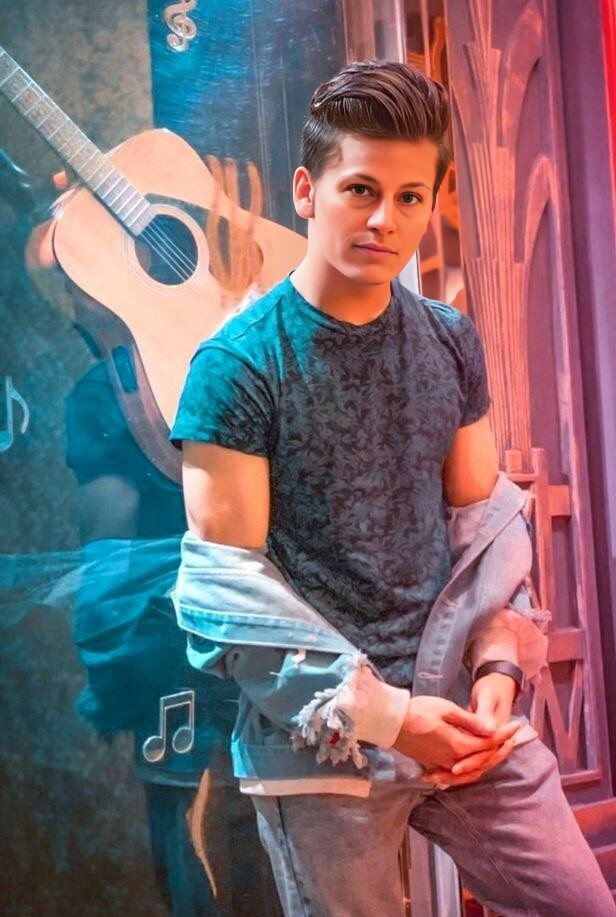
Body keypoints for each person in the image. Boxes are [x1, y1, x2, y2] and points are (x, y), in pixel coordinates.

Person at [168, 60, 616, 916]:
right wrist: (390, 717)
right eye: (361, 189)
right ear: (307, 190)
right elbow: (228, 602)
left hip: (464, 713)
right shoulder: (235, 366)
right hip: (323, 735)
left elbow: (484, 537)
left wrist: (497, 669)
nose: (385, 219)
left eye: (410, 197)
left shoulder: (449, 340)